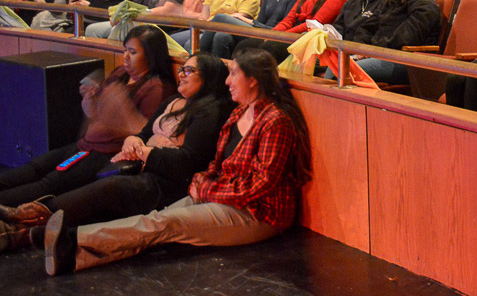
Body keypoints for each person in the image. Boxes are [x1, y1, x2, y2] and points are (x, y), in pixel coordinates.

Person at [42, 48, 312, 275]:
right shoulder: (238, 113)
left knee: (164, 225)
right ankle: (75, 256)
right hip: (224, 196)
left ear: (253, 80)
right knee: (157, 221)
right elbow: (217, 165)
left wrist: (206, 189)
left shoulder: (276, 121)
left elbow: (260, 186)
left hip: (258, 213)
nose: (228, 81)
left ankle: (71, 239)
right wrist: (202, 181)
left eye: (234, 74)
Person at [0, 54, 232, 252]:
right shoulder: (173, 101)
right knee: (70, 179)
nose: (181, 73)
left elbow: (186, 162)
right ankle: (22, 226)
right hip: (133, 164)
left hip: (164, 183)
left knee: (105, 188)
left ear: (208, 76)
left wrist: (143, 151)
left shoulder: (209, 112)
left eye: (189, 70)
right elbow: (142, 132)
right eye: (181, 68)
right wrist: (133, 141)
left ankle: (22, 221)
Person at [0, 26, 172, 208]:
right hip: (87, 143)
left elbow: (144, 134)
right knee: (33, 167)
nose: (126, 57)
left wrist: (122, 110)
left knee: (48, 184)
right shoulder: (121, 73)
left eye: (133, 52)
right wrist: (89, 99)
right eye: (125, 50)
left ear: (151, 56)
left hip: (105, 152)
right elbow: (94, 116)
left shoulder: (156, 87)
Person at [345, 0, 441, 85]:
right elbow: (365, 28)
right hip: (379, 55)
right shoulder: (389, 2)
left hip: (406, 61)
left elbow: (404, 39)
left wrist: (372, 50)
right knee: (336, 66)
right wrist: (362, 48)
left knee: (346, 69)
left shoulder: (426, 7)